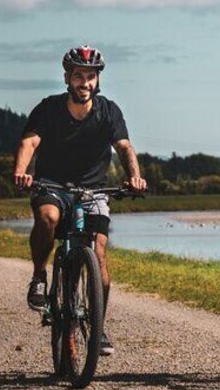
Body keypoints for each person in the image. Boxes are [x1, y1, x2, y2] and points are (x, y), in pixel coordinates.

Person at [12, 45, 147, 356]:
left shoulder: (109, 111)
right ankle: (38, 277)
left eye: (90, 76)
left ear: (97, 81)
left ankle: (97, 326)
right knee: (48, 219)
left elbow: (124, 147)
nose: (84, 83)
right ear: (67, 78)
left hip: (93, 190)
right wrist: (21, 172)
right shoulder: (48, 108)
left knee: (98, 256)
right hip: (51, 184)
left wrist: (135, 177)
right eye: (78, 76)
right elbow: (30, 141)